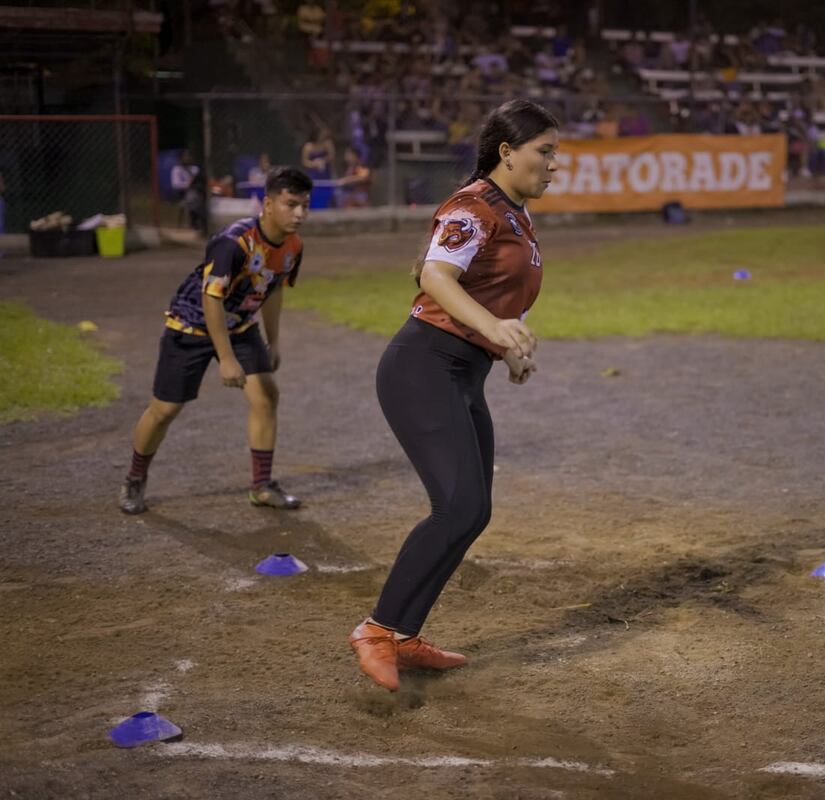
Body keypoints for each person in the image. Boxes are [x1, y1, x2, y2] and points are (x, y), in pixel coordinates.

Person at [349, 100, 558, 691]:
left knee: (474, 510)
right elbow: (435, 277)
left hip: (464, 373)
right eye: (544, 152)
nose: (553, 165)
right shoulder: (473, 205)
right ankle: (376, 629)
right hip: (422, 368)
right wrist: (496, 330)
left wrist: (508, 348)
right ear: (507, 153)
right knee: (458, 507)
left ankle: (405, 635)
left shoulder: (513, 214)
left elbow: (492, 293)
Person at [118, 168, 312, 515]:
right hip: (191, 326)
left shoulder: (293, 246)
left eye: (304, 206)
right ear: (268, 204)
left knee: (266, 395)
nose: (299, 214)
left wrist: (275, 341)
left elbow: (273, 289)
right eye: (291, 204)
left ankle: (262, 486)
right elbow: (212, 299)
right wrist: (225, 358)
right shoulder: (233, 242)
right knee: (164, 410)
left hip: (240, 325)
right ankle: (135, 477)